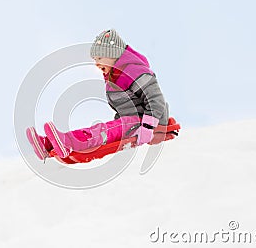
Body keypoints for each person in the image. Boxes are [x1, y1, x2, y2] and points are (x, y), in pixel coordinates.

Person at [26, 29, 168, 159]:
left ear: (113, 54)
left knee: (103, 131)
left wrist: (148, 127)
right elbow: (126, 108)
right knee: (107, 128)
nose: (96, 63)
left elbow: (156, 100)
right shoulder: (114, 78)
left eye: (99, 58)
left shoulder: (134, 71)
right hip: (131, 121)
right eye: (95, 59)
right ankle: (48, 144)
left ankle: (67, 143)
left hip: (144, 122)